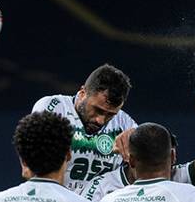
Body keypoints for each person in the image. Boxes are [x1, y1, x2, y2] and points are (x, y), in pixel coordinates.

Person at [31, 63, 137, 193]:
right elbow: (36, 158)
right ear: (82, 93)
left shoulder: (125, 124)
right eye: (97, 110)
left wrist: (139, 141)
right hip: (54, 200)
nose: (100, 120)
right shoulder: (55, 108)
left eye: (110, 114)